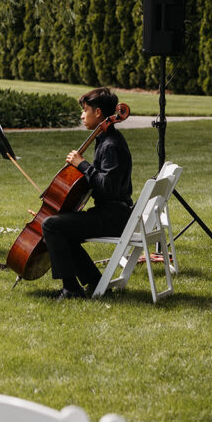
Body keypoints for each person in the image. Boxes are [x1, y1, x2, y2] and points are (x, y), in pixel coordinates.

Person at [41, 86, 133, 299]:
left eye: (85, 110)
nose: (82, 115)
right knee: (63, 228)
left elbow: (107, 186)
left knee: (51, 225)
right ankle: (94, 280)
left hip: (113, 217)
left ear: (98, 113)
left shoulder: (111, 145)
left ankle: (71, 289)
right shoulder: (106, 140)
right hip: (113, 213)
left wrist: (82, 165)